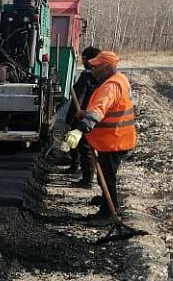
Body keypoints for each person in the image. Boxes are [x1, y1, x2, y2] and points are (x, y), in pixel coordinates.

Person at [73, 51, 136, 226]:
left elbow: (99, 110)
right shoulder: (119, 79)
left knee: (107, 177)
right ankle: (106, 207)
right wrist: (85, 113)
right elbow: (109, 108)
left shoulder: (111, 86)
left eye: (96, 66)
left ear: (107, 67)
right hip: (116, 137)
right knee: (106, 176)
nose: (93, 70)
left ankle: (110, 213)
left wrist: (80, 129)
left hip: (114, 140)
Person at [62, 46, 101, 188]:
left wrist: (69, 119)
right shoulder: (101, 76)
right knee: (75, 141)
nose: (83, 62)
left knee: (84, 146)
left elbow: (77, 99)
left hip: (84, 116)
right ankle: (75, 165)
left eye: (84, 59)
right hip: (94, 116)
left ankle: (87, 179)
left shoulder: (87, 76)